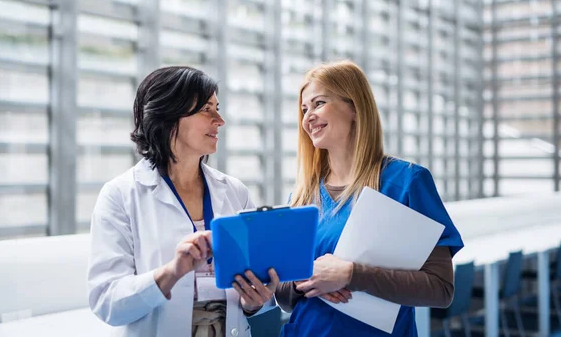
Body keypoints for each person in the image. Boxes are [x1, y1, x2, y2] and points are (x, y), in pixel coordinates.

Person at [275, 60, 464, 337]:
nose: (308, 118)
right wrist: (309, 279)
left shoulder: (405, 182)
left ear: (354, 107)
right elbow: (284, 296)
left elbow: (440, 289)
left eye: (319, 103)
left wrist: (351, 275)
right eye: (304, 110)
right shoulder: (303, 196)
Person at [87, 66, 279, 337]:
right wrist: (171, 273)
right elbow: (107, 302)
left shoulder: (235, 192)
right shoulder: (120, 195)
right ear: (169, 116)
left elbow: (253, 290)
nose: (220, 120)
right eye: (206, 109)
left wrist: (253, 303)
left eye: (218, 108)